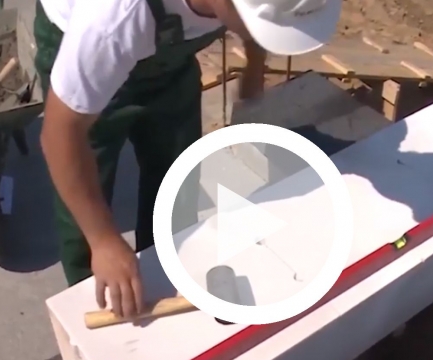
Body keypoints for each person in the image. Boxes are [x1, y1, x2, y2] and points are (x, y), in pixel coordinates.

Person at [34, 0, 342, 318]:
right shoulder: (111, 22)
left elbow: (258, 18)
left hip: (168, 64)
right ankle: (94, 303)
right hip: (81, 46)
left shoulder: (243, 6)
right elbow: (60, 136)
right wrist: (103, 241)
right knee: (86, 199)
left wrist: (254, 72)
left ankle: (160, 271)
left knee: (175, 181)